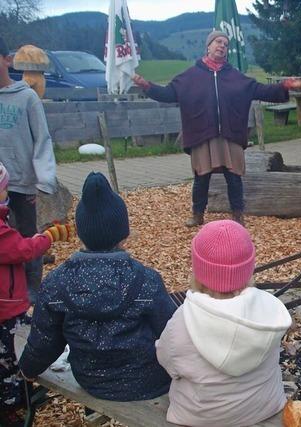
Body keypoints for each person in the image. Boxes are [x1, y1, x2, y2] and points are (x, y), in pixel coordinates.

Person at [19, 172, 176, 402]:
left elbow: (44, 341)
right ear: (124, 234)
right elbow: (171, 332)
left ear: (81, 234)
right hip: (149, 381)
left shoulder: (56, 283)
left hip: (92, 380)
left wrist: (27, 369)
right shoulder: (146, 280)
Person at [133, 30, 301, 227]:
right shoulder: (190, 76)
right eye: (218, 42)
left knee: (234, 177)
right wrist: (147, 86)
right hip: (202, 134)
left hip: (229, 134)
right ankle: (197, 214)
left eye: (225, 43)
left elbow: (260, 90)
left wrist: (284, 87)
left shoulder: (235, 76)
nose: (222, 46)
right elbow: (168, 93)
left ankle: (238, 215)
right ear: (208, 46)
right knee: (201, 177)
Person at [155, 220, 292, 427]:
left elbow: (167, 361)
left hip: (201, 416)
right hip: (264, 406)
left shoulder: (183, 320)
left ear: (199, 269)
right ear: (248, 268)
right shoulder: (270, 310)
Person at [0, 163, 72, 427]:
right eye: (4, 189)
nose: (6, 192)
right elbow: (23, 249)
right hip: (6, 307)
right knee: (13, 352)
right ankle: (13, 405)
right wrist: (48, 237)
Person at [0, 36, 57, 304]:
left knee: (26, 236)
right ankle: (8, 291)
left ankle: (33, 291)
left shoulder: (26, 98)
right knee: (4, 241)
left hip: (22, 183)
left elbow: (42, 139)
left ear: (7, 60)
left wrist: (45, 179)